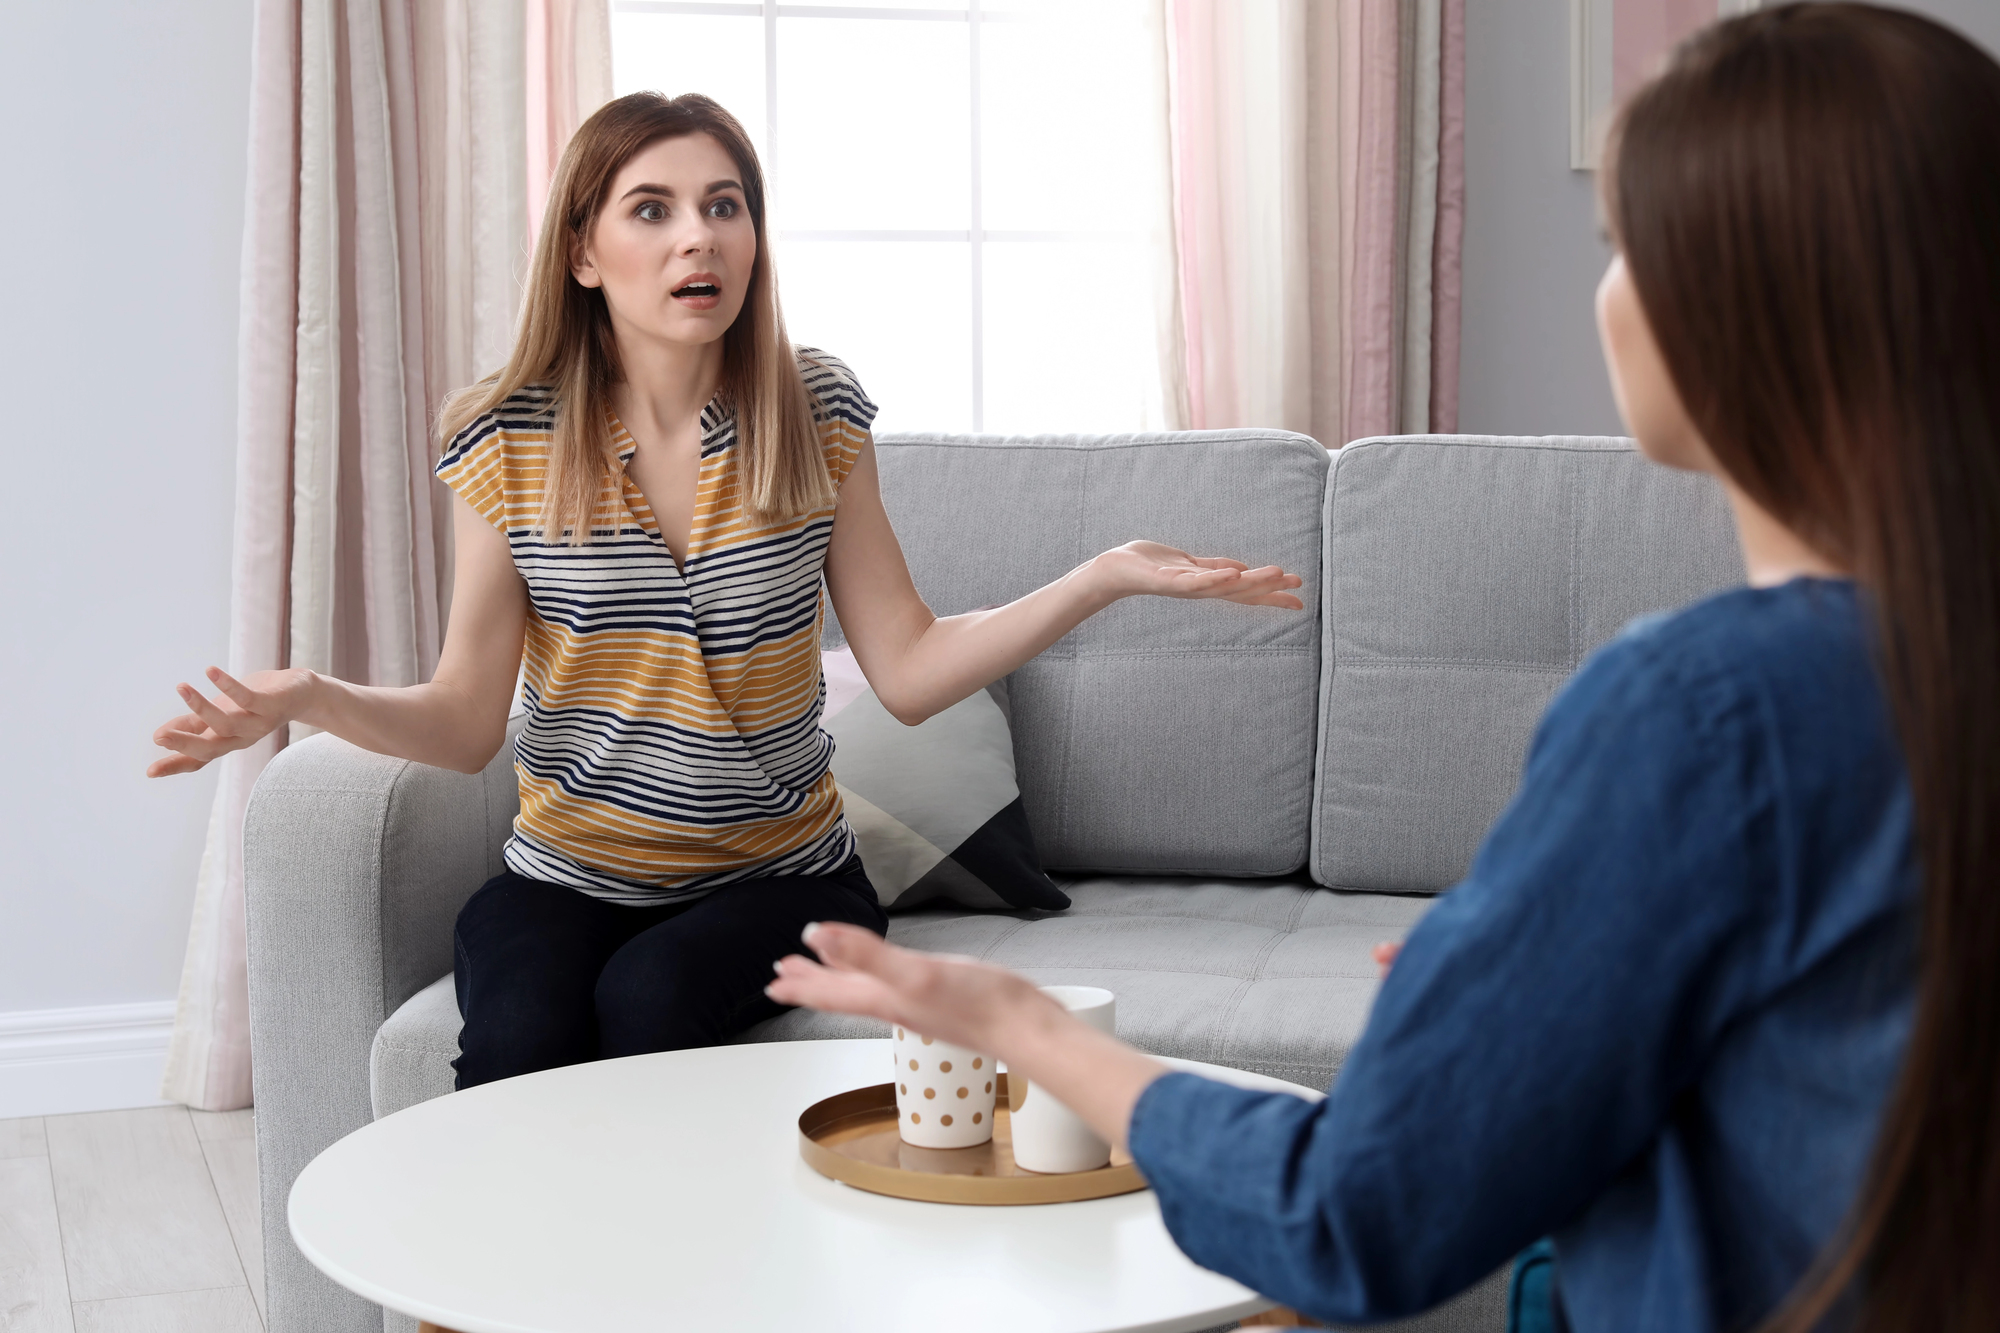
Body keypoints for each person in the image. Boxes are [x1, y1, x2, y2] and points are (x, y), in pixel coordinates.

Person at [768, 7, 2000, 1331]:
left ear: (1729, 312)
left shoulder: (1701, 716)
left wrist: (1032, 1033)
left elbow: (1353, 1216)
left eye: (1624, 247)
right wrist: (1526, 977)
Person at [146, 92, 1303, 1090]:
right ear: (584, 253)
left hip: (785, 879)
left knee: (649, 1004)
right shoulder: (505, 439)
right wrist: (310, 694)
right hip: (568, 873)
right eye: (651, 208)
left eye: (723, 204)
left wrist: (1099, 578)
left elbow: (905, 669)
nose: (696, 236)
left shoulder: (813, 411)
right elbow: (461, 724)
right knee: (520, 1033)